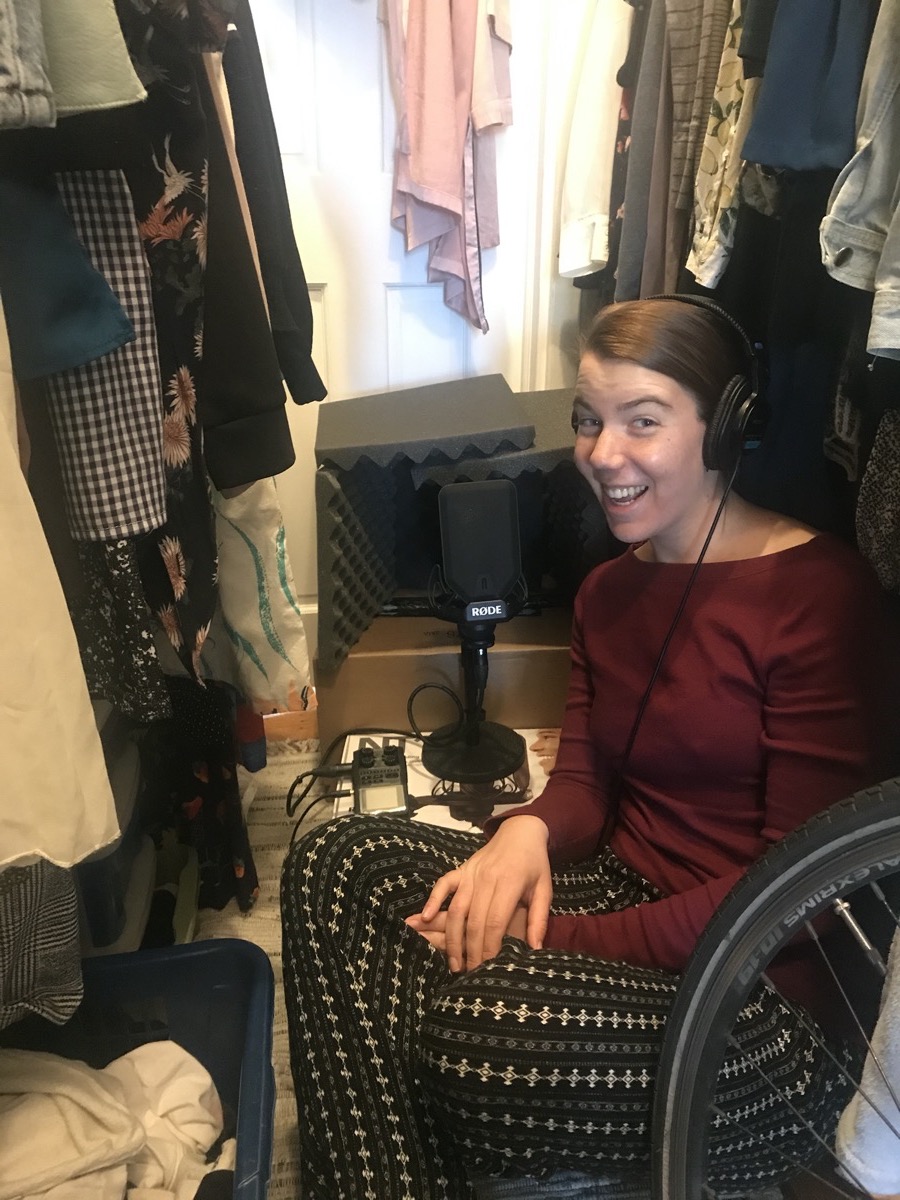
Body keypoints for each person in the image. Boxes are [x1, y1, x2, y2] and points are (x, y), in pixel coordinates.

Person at [282, 298, 895, 1200]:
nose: (603, 455)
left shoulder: (821, 598)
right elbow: (584, 781)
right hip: (627, 887)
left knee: (473, 1024)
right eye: (588, 421)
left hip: (760, 1002)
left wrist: (554, 944)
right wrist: (525, 834)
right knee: (333, 864)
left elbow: (790, 901)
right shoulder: (609, 591)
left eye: (642, 422)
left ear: (724, 428)